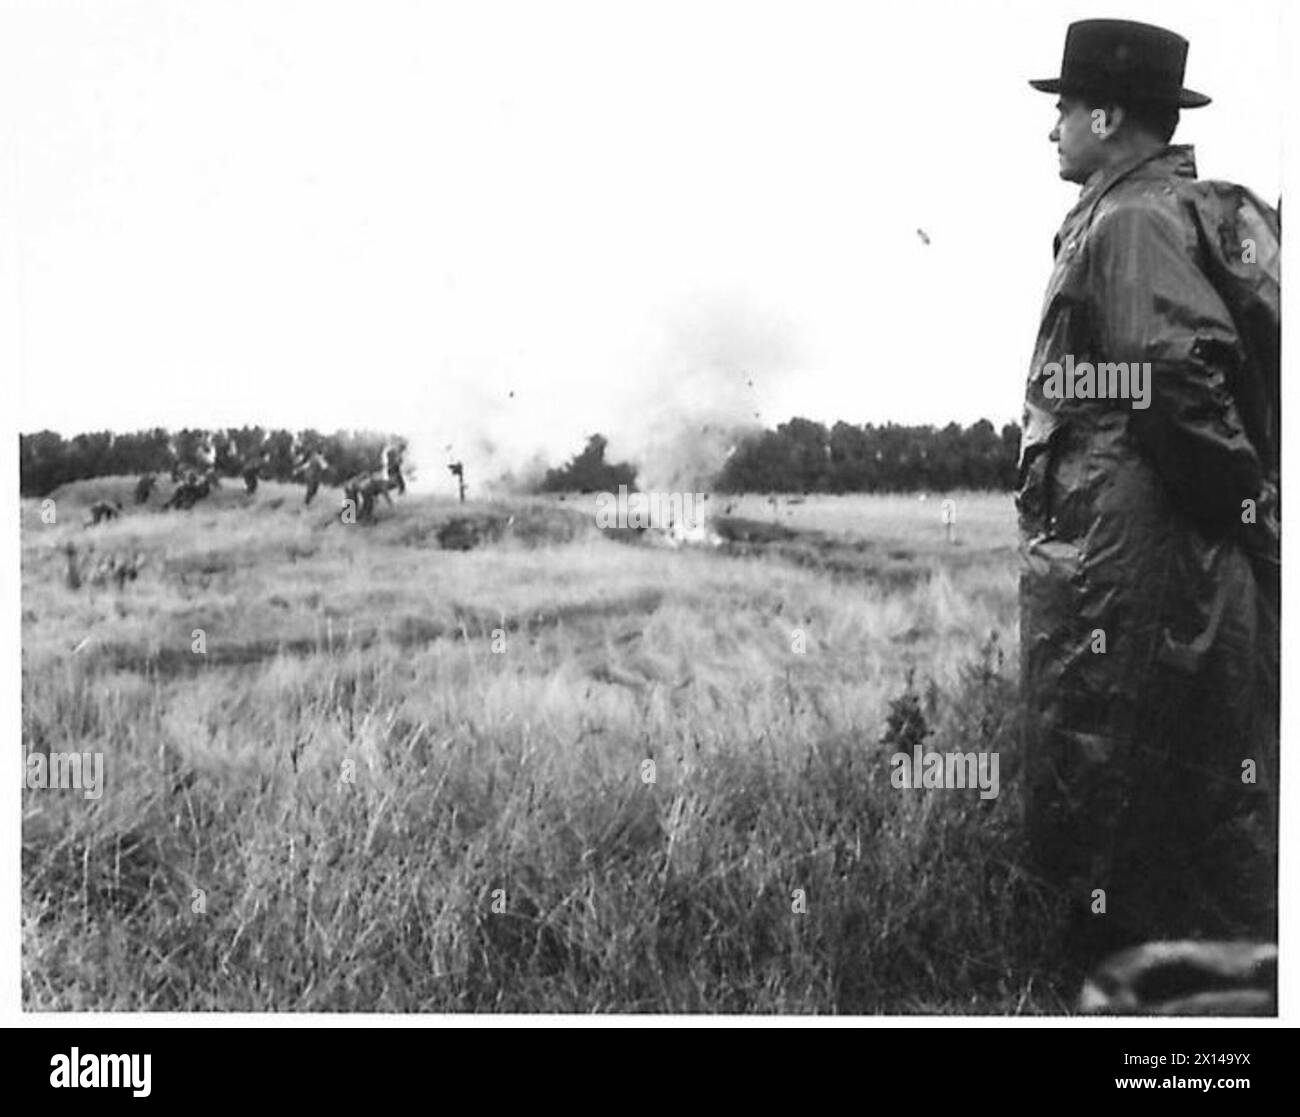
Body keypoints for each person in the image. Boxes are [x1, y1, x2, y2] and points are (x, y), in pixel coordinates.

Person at [1019, 20, 1279, 966]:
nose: (1051, 127)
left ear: (1108, 114)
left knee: (1117, 754)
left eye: (1063, 107)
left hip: (1131, 556)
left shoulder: (1132, 221)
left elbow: (1175, 380)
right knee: (1148, 754)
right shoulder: (1133, 210)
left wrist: (1249, 513)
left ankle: (1130, 980)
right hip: (1125, 545)